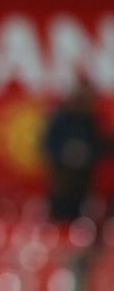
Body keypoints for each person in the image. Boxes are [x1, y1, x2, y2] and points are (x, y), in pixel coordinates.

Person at [43, 77, 105, 221]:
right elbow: (48, 145)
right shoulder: (60, 119)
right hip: (63, 177)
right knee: (61, 211)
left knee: (83, 217)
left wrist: (86, 154)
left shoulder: (91, 121)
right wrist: (66, 154)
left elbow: (99, 146)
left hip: (85, 180)